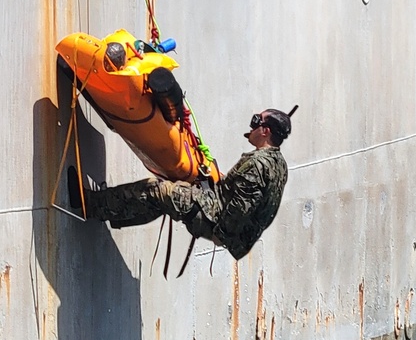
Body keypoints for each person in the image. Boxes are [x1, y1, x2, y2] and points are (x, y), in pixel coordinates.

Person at [69, 108, 292, 260]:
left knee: (158, 191)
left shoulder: (258, 164)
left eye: (256, 122)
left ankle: (88, 204)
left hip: (215, 219)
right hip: (227, 224)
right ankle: (109, 211)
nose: (251, 126)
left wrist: (220, 234)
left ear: (265, 131)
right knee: (164, 201)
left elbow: (242, 207)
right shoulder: (278, 163)